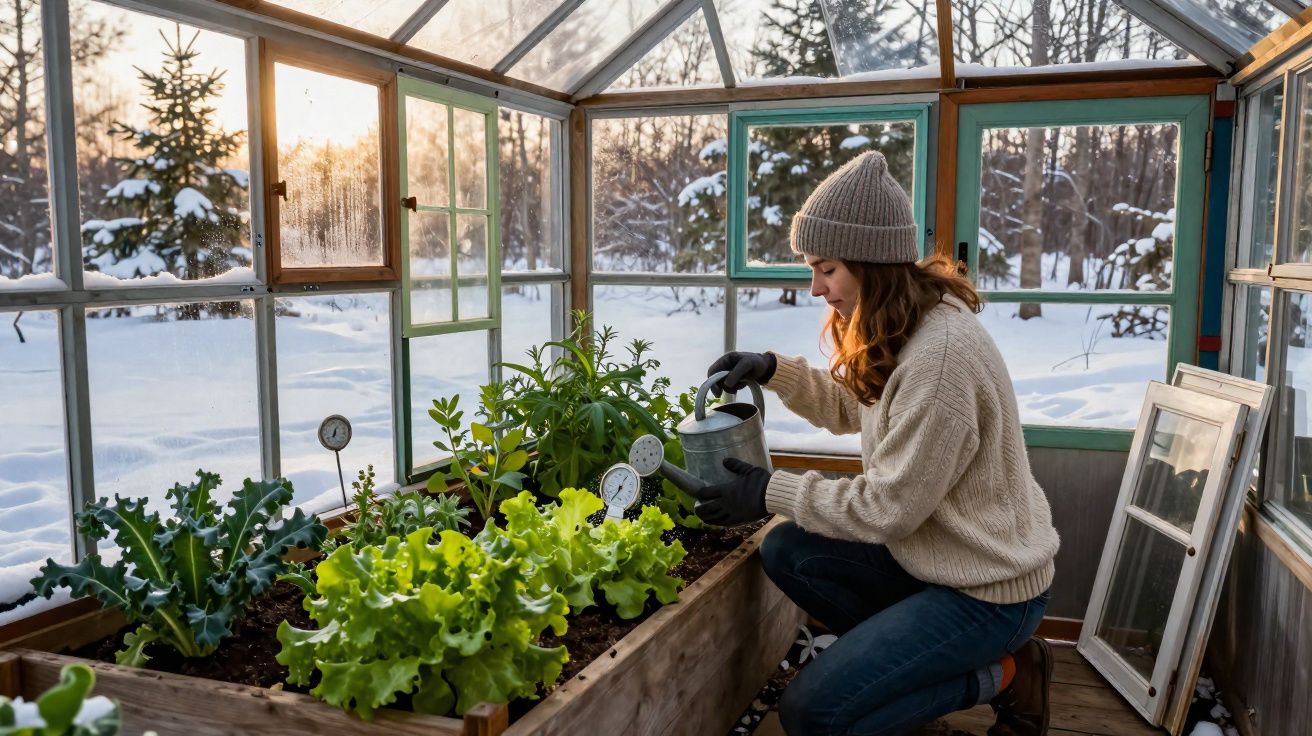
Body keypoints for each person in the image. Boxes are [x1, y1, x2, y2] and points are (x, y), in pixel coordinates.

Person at [694, 151, 1061, 736]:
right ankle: (903, 682)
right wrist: (772, 370)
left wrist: (769, 489)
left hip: (987, 591)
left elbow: (888, 507)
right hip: (936, 556)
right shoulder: (908, 320)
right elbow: (855, 407)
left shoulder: (940, 359)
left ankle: (1007, 674)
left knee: (812, 712)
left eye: (827, 268)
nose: (815, 287)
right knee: (787, 550)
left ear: (872, 262)